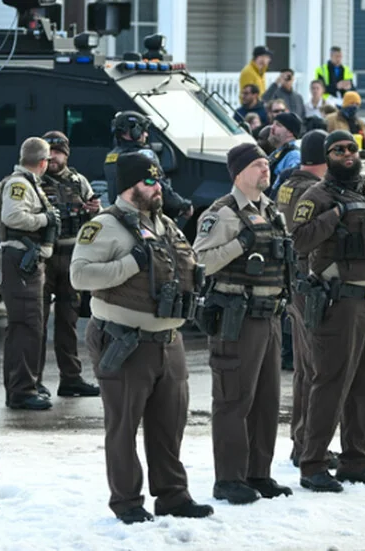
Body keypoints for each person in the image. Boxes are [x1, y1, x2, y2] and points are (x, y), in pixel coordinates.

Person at [70, 152, 213, 523]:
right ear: (129, 186)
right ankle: (127, 502)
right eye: (149, 182)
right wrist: (131, 263)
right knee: (123, 427)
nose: (158, 187)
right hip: (125, 341)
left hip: (168, 339)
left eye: (159, 180)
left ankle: (173, 496)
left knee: (169, 426)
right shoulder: (104, 226)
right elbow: (80, 276)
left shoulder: (165, 224)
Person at [290, 130, 365, 492]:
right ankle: (313, 463)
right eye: (338, 150)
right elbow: (299, 241)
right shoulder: (317, 196)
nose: (347, 154)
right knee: (330, 384)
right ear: (327, 156)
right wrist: (335, 215)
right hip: (340, 303)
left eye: (352, 148)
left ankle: (356, 460)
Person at [193, 144, 294, 505]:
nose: (266, 169)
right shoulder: (222, 213)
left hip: (269, 316)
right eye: (257, 165)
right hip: (237, 319)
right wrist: (240, 244)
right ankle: (229, 479)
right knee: (233, 400)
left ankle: (258, 473)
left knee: (267, 401)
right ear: (238, 173)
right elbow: (200, 262)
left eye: (267, 164)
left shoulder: (271, 211)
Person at [274, 130, 339, 468]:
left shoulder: (289, 184)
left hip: (296, 281)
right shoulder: (311, 191)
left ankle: (302, 440)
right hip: (309, 281)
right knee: (316, 369)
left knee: (305, 368)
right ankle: (308, 444)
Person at [0, 137, 60, 411]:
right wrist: (45, 219)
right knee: (26, 326)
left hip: (26, 264)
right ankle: (22, 391)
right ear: (43, 162)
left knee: (26, 326)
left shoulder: (28, 183)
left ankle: (24, 386)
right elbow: (12, 216)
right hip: (20, 263)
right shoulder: (20, 184)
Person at [38, 131, 101, 398]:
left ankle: (71, 379)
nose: (53, 157)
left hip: (72, 257)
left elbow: (96, 217)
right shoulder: (34, 181)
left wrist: (95, 210)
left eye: (57, 152)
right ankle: (34, 381)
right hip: (45, 258)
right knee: (37, 323)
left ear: (66, 154)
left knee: (68, 322)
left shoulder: (79, 181)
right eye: (48, 152)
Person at [104, 111, 193, 222]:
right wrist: (182, 205)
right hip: (143, 216)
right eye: (143, 130)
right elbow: (158, 187)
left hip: (118, 215)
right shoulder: (143, 156)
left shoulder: (111, 156)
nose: (146, 134)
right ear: (134, 130)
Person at [267, 112, 303, 192]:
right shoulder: (278, 151)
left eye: (278, 125)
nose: (272, 127)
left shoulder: (293, 156)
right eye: (273, 124)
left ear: (290, 132)